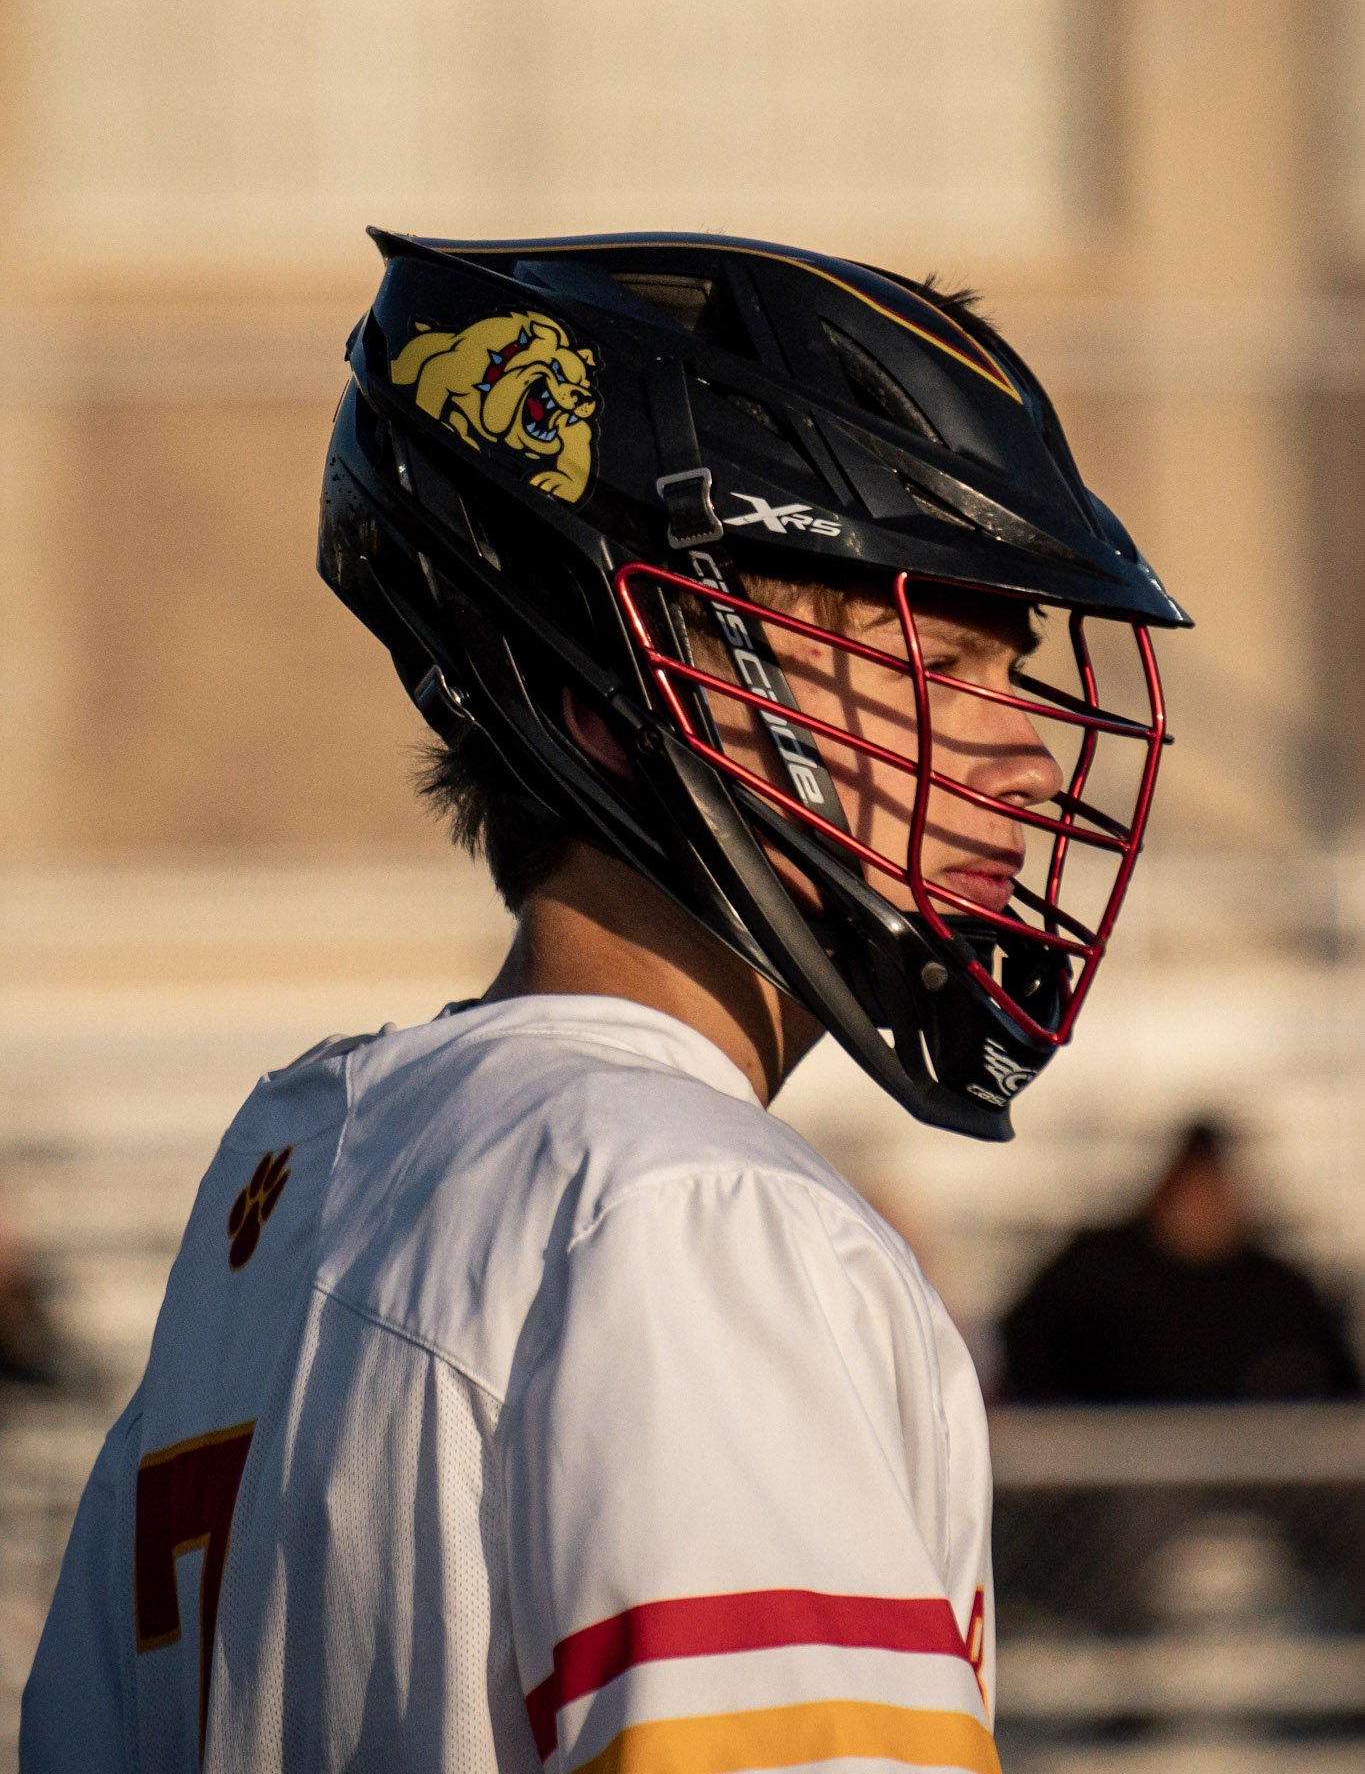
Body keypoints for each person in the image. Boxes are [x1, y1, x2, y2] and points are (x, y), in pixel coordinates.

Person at [22, 231, 1187, 1771]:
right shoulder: (686, 1210)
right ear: (619, 697)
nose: (1029, 759)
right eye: (936, 661)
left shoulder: (288, 1182)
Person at [999, 1118, 1362, 1402]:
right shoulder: (1093, 1272)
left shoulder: (1280, 1291)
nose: (1204, 1207)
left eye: (1215, 1190)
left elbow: (1337, 1392)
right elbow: (1025, 1350)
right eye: (1193, 1190)